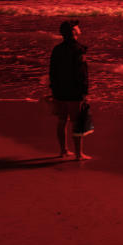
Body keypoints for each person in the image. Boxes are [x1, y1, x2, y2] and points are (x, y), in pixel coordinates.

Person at [49, 19, 90, 160]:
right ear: (73, 32)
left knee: (62, 120)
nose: (80, 29)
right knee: (76, 122)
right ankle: (79, 154)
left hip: (59, 90)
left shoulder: (57, 49)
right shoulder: (79, 49)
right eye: (77, 27)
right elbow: (81, 73)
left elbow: (52, 71)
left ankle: (63, 150)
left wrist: (53, 89)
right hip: (74, 91)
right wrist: (84, 92)